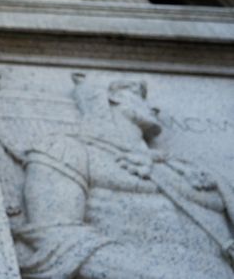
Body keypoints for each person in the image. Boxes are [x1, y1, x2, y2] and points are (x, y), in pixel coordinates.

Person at [16, 79, 234, 278]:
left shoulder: (185, 168)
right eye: (138, 96)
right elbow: (57, 233)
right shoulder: (68, 149)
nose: (154, 107)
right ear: (114, 98)